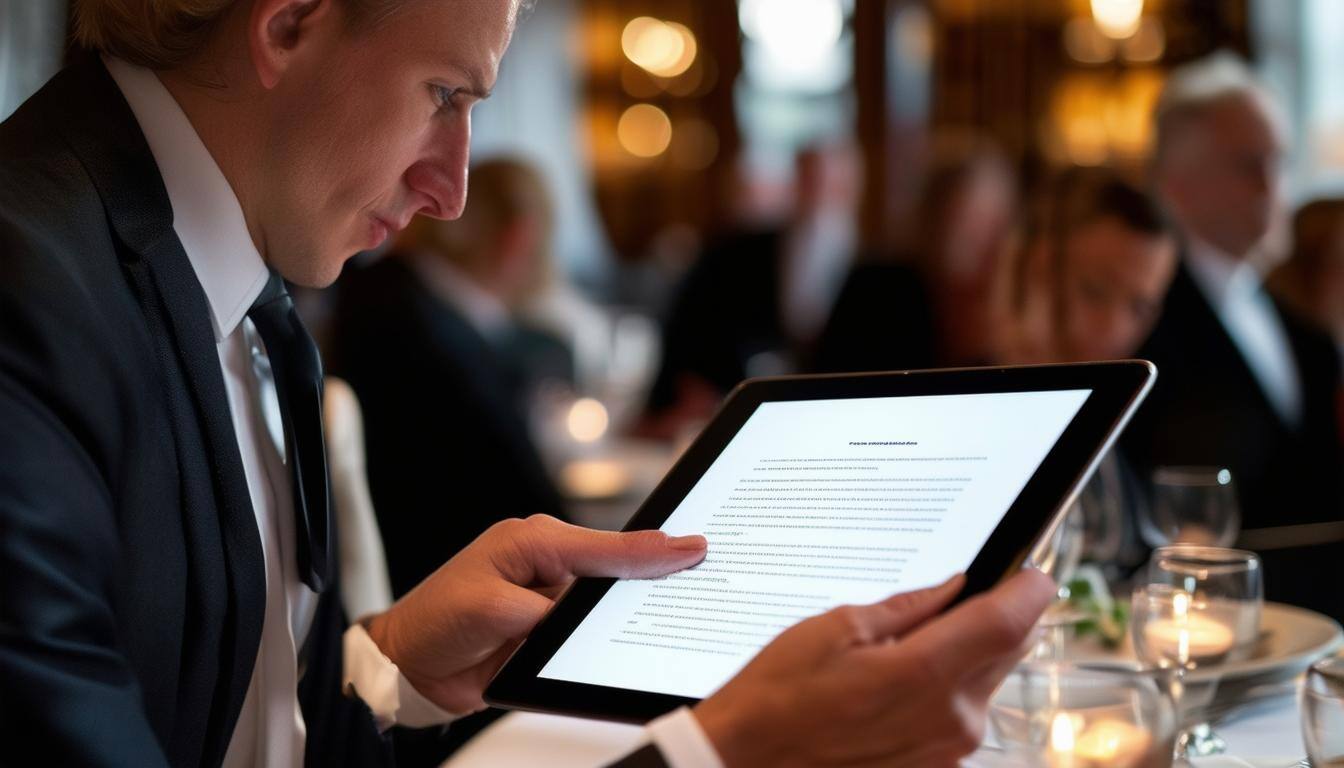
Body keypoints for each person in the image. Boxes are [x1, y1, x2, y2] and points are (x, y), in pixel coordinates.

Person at [0, 2, 1054, 767]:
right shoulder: (25, 288)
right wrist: (717, 753)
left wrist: (387, 668)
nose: (453, 189)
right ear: (289, 23)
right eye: (444, 93)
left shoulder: (249, 291)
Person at [1120, 53, 1344, 620]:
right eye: (1249, 164)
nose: (1273, 185)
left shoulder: (1295, 325)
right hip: (1200, 624)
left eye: (1278, 161)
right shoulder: (1144, 326)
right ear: (1178, 184)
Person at [330, 157, 568, 600]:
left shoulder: (384, 292)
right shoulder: (436, 339)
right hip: (441, 596)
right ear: (520, 238)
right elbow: (536, 515)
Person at [997, 169, 1178, 580]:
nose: (1115, 327)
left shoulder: (1111, 411)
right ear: (1034, 270)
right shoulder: (970, 410)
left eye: (1140, 307)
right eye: (1095, 291)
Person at [643, 142, 861, 437]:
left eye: (831, 182)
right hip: (744, 417)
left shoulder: (880, 265)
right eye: (809, 178)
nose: (819, 190)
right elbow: (693, 335)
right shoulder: (735, 257)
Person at [813, 139, 1017, 374]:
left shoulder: (1014, 303)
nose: (983, 238)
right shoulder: (874, 288)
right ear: (931, 219)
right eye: (968, 220)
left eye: (994, 222)